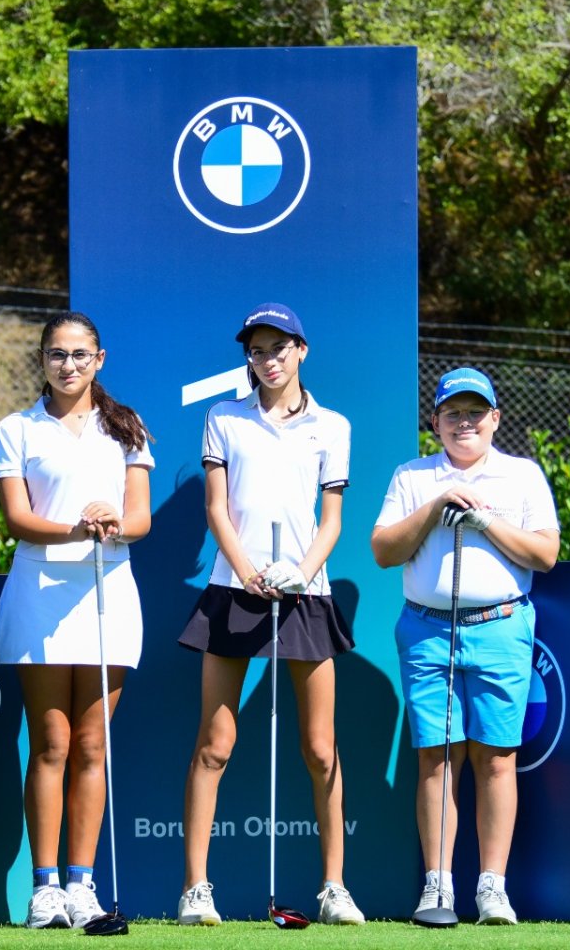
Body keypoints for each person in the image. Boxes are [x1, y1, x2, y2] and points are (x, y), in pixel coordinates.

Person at [176, 302, 365, 926]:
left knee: (320, 748)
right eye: (257, 351)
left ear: (300, 350)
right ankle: (196, 889)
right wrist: (249, 572)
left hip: (306, 592)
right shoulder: (223, 418)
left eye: (279, 348)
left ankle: (334, 887)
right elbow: (217, 510)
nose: (268, 360)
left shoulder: (332, 426)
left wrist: (301, 573)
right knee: (214, 743)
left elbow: (331, 521)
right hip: (234, 588)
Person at [370, 367, 559, 925]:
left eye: (476, 412)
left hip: (501, 625)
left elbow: (545, 554)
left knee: (497, 758)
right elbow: (383, 550)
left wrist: (483, 520)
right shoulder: (412, 476)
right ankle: (439, 887)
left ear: (495, 418)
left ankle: (492, 888)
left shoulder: (522, 475)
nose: (465, 423)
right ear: (436, 422)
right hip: (428, 629)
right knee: (437, 758)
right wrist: (435, 509)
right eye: (453, 413)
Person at [0, 311, 154, 929]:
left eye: (80, 354)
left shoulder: (127, 427)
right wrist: (75, 528)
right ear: (42, 359)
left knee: (91, 745)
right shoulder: (17, 428)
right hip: (39, 592)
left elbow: (140, 519)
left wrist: (112, 522)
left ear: (99, 360)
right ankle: (45, 889)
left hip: (108, 592)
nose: (68, 365)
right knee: (50, 743)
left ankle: (82, 886)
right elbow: (17, 518)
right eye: (57, 354)